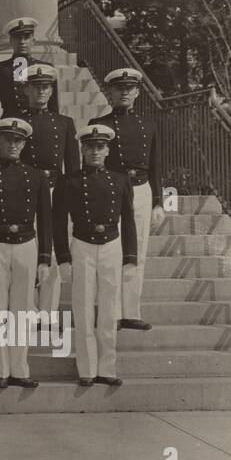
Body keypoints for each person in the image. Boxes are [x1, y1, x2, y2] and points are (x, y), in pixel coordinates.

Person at [0, 117, 53, 389]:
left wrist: (44, 258)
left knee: (23, 308)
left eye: (18, 140)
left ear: (25, 143)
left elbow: (46, 220)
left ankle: (19, 368)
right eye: (8, 140)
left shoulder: (36, 176)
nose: (13, 145)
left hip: (26, 244)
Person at [53, 124, 137, 387]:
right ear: (82, 149)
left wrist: (131, 258)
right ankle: (87, 369)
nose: (95, 152)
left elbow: (129, 221)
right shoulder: (69, 181)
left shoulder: (120, 180)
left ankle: (107, 368)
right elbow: (57, 223)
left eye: (100, 147)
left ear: (108, 149)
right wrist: (63, 257)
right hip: (82, 245)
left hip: (112, 245)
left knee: (110, 308)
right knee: (83, 306)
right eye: (90, 147)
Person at [88, 67, 164, 332]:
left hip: (141, 190)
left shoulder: (148, 125)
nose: (124, 92)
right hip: (111, 191)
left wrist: (158, 201)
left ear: (137, 92)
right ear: (109, 92)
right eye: (118, 88)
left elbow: (155, 165)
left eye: (129, 88)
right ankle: (111, 311)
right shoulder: (100, 125)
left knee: (137, 251)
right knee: (111, 252)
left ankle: (131, 312)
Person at [20, 63, 79, 314]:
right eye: (35, 87)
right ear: (26, 90)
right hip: (25, 191)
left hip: (55, 191)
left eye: (45, 87)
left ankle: (48, 310)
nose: (41, 92)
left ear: (52, 91)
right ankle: (29, 307)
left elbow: (73, 167)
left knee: (53, 248)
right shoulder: (17, 121)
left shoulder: (64, 123)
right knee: (28, 248)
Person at [0, 16, 59, 126]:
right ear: (11, 41)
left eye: (26, 37)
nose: (22, 42)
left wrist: (53, 126)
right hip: (10, 125)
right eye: (17, 37)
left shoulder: (45, 68)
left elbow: (53, 104)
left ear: (33, 41)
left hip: (40, 123)